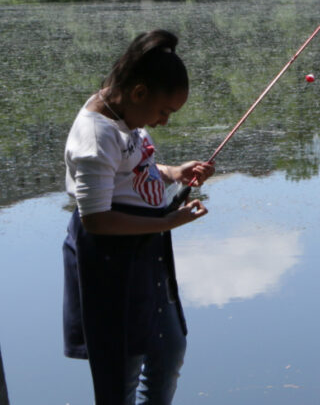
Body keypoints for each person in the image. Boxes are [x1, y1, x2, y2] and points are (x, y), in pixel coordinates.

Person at [62, 30, 214, 405]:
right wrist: (167, 222)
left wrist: (174, 171)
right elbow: (96, 220)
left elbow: (135, 169)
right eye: (164, 112)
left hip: (146, 251)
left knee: (169, 349)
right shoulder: (95, 138)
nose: (164, 121)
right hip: (112, 263)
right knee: (122, 370)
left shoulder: (123, 117)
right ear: (139, 92)